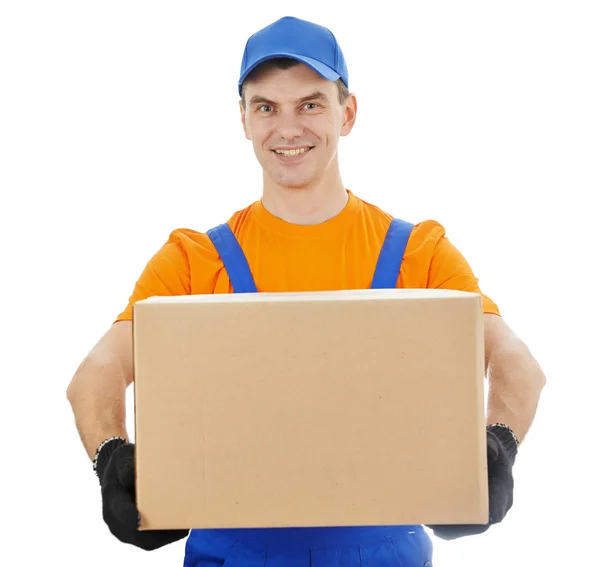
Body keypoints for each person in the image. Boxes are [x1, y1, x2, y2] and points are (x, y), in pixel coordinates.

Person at [66, 15, 546, 567]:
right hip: (232, 556)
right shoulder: (193, 262)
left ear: (348, 112)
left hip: (384, 555)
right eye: (266, 106)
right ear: (243, 119)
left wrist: (498, 445)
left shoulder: (419, 253)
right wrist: (110, 457)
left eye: (310, 104)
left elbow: (514, 360)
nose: (287, 128)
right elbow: (96, 372)